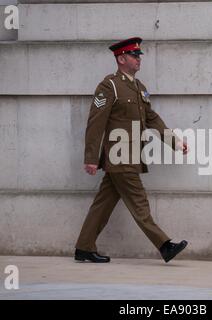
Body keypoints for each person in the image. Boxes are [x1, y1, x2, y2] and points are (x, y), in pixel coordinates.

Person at [74, 37, 189, 263]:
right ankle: (165, 245)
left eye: (139, 56)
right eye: (134, 56)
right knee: (139, 202)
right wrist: (91, 158)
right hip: (119, 156)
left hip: (131, 156)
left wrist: (174, 141)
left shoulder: (139, 88)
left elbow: (152, 118)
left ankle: (83, 248)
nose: (138, 59)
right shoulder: (110, 86)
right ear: (121, 58)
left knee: (103, 204)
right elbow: (95, 123)